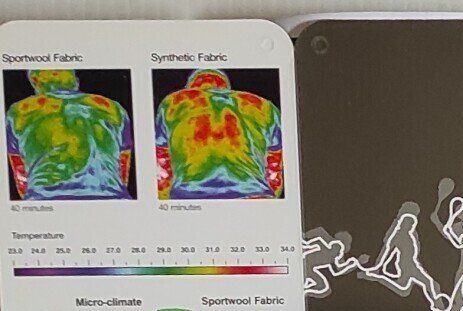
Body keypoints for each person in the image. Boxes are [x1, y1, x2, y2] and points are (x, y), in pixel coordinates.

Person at [155, 68, 281, 200]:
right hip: (254, 196)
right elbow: (274, 170)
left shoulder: (172, 102)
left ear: (190, 86)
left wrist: (167, 204)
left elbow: (162, 167)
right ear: (225, 86)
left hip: (191, 197)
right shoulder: (264, 106)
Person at [7, 68, 132, 201]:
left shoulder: (19, 111)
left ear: (35, 81)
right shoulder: (112, 108)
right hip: (111, 197)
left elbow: (20, 174)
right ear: (74, 79)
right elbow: (123, 165)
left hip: (45, 198)